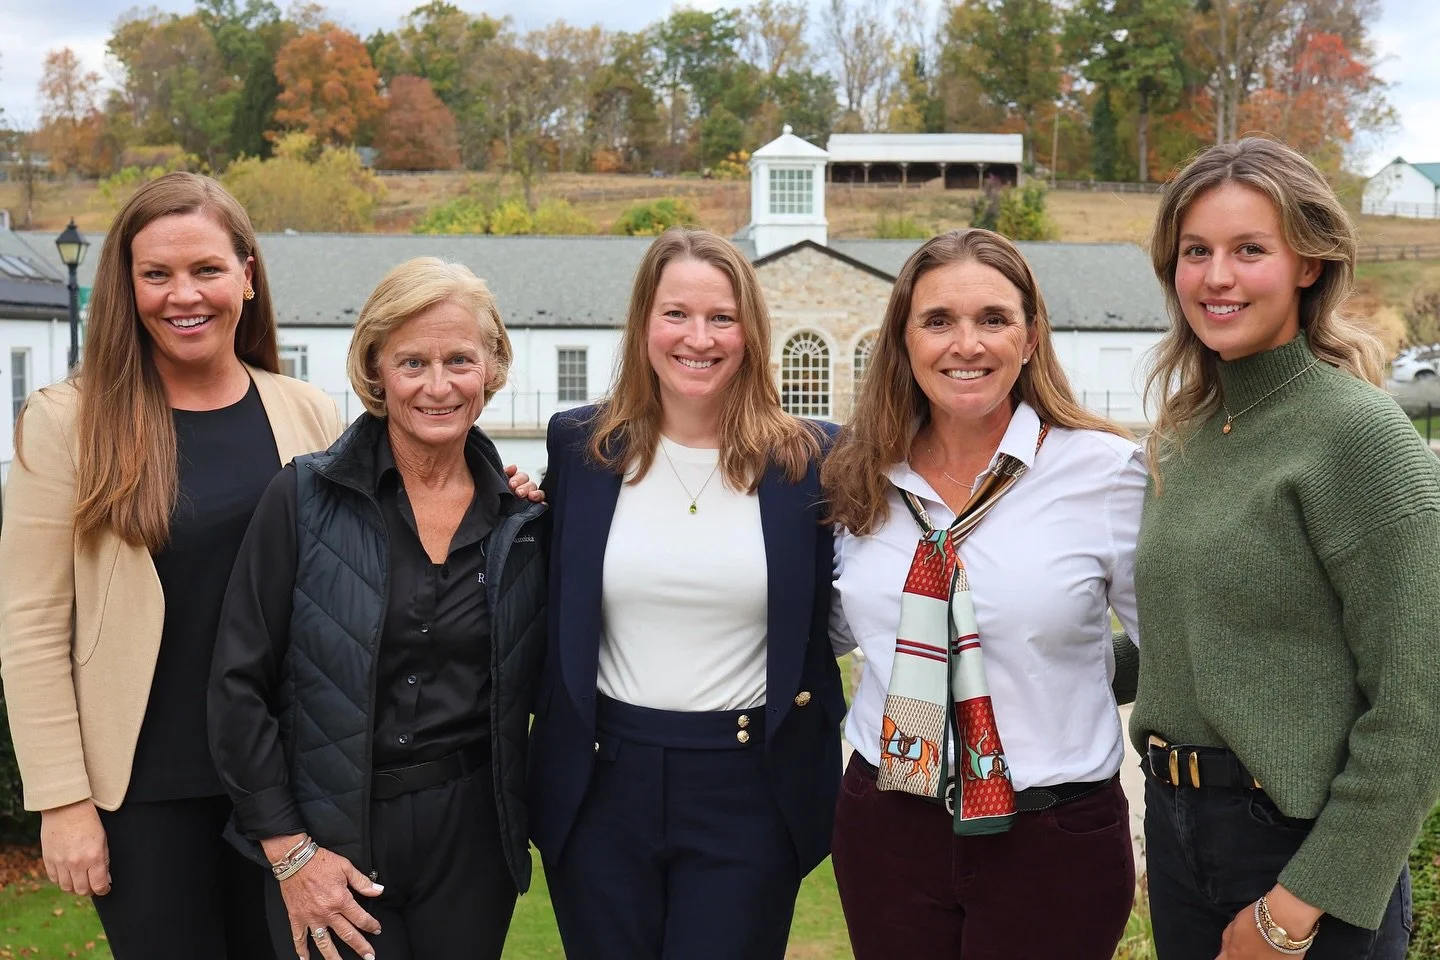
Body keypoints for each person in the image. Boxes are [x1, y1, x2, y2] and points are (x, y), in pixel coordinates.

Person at [0, 172, 342, 957]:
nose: (182, 294)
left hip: (286, 787)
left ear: (247, 277)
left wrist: (496, 490)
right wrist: (61, 802)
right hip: (142, 798)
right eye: (156, 274)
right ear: (128, 286)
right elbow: (31, 626)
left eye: (206, 270)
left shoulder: (306, 411)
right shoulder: (67, 423)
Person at [1133, 136, 1438, 960]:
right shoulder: (1188, 436)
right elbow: (1187, 639)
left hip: (1300, 857)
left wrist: (1295, 910)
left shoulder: (1360, 439)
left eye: (1249, 250)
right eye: (1196, 252)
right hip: (1178, 833)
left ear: (1308, 264)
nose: (1216, 277)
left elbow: (1418, 709)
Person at [208, 257, 547, 960]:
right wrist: (291, 853)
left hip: (472, 843)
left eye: (460, 359)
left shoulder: (524, 524)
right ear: (375, 370)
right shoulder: (300, 499)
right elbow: (237, 689)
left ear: (491, 367)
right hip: (330, 837)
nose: (438, 385)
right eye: (412, 362)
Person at [823, 227, 1144, 960]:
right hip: (888, 828)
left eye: (993, 319)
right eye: (938, 321)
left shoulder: (1108, 475)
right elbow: (832, 626)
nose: (965, 344)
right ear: (903, 342)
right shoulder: (857, 474)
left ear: (1030, 338)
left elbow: (1174, 648)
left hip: (1052, 839)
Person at [528, 227, 844, 960]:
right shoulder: (581, 449)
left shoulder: (808, 459)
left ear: (750, 332)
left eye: (721, 318)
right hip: (601, 783)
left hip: (748, 787)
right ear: (644, 324)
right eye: (676, 314)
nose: (697, 338)